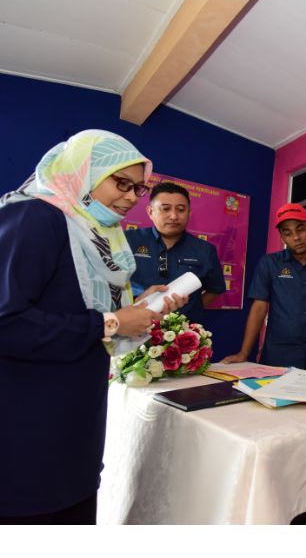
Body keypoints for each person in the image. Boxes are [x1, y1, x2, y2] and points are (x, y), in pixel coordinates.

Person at [0, 130, 185, 524]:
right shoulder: (36, 217)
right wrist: (113, 321)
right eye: (122, 183)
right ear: (83, 171)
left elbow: (75, 309)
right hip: (28, 430)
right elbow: (7, 322)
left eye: (139, 188)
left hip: (74, 428)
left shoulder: (99, 233)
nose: (132, 198)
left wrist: (135, 310)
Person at [222, 203, 306, 369]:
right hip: (279, 354)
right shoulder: (269, 263)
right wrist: (244, 353)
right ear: (282, 238)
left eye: (300, 229)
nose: (296, 237)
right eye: (288, 233)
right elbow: (259, 308)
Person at [126, 181, 226, 325]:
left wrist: (189, 311)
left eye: (180, 209)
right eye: (165, 209)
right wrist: (136, 301)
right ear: (150, 212)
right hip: (134, 328)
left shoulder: (205, 250)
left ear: (189, 213)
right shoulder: (127, 241)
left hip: (184, 334)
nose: (173, 216)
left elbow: (215, 289)